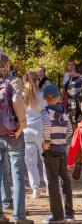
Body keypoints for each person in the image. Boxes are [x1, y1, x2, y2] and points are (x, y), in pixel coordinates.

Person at [0, 50, 33, 223]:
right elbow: (16, 102)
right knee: (18, 173)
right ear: (6, 65)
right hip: (13, 132)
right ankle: (19, 216)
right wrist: (22, 125)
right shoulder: (14, 81)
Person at [41, 84, 75, 224]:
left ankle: (57, 216)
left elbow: (47, 126)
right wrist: (62, 139)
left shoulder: (45, 111)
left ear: (44, 98)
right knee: (65, 180)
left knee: (53, 182)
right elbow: (69, 130)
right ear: (58, 97)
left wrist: (46, 140)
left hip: (51, 149)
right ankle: (69, 213)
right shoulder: (63, 110)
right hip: (61, 149)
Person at [22, 72, 48, 199]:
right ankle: (49, 186)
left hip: (26, 131)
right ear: (37, 81)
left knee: (30, 162)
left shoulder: (21, 96)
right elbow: (46, 112)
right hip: (39, 129)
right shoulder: (41, 95)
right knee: (45, 159)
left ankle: (35, 189)